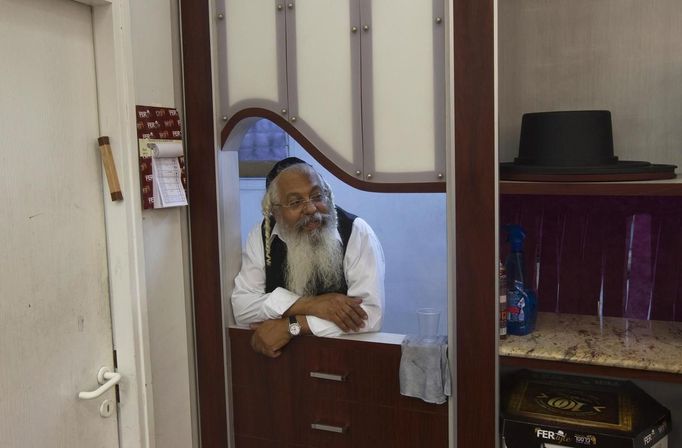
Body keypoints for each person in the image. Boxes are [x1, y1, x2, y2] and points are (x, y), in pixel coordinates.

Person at [231, 157, 385, 358]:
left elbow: (369, 316)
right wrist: (311, 305)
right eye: (295, 202)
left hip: (343, 360)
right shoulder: (261, 236)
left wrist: (293, 325)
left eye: (317, 196)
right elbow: (242, 307)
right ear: (275, 211)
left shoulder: (356, 232)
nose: (312, 209)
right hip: (281, 364)